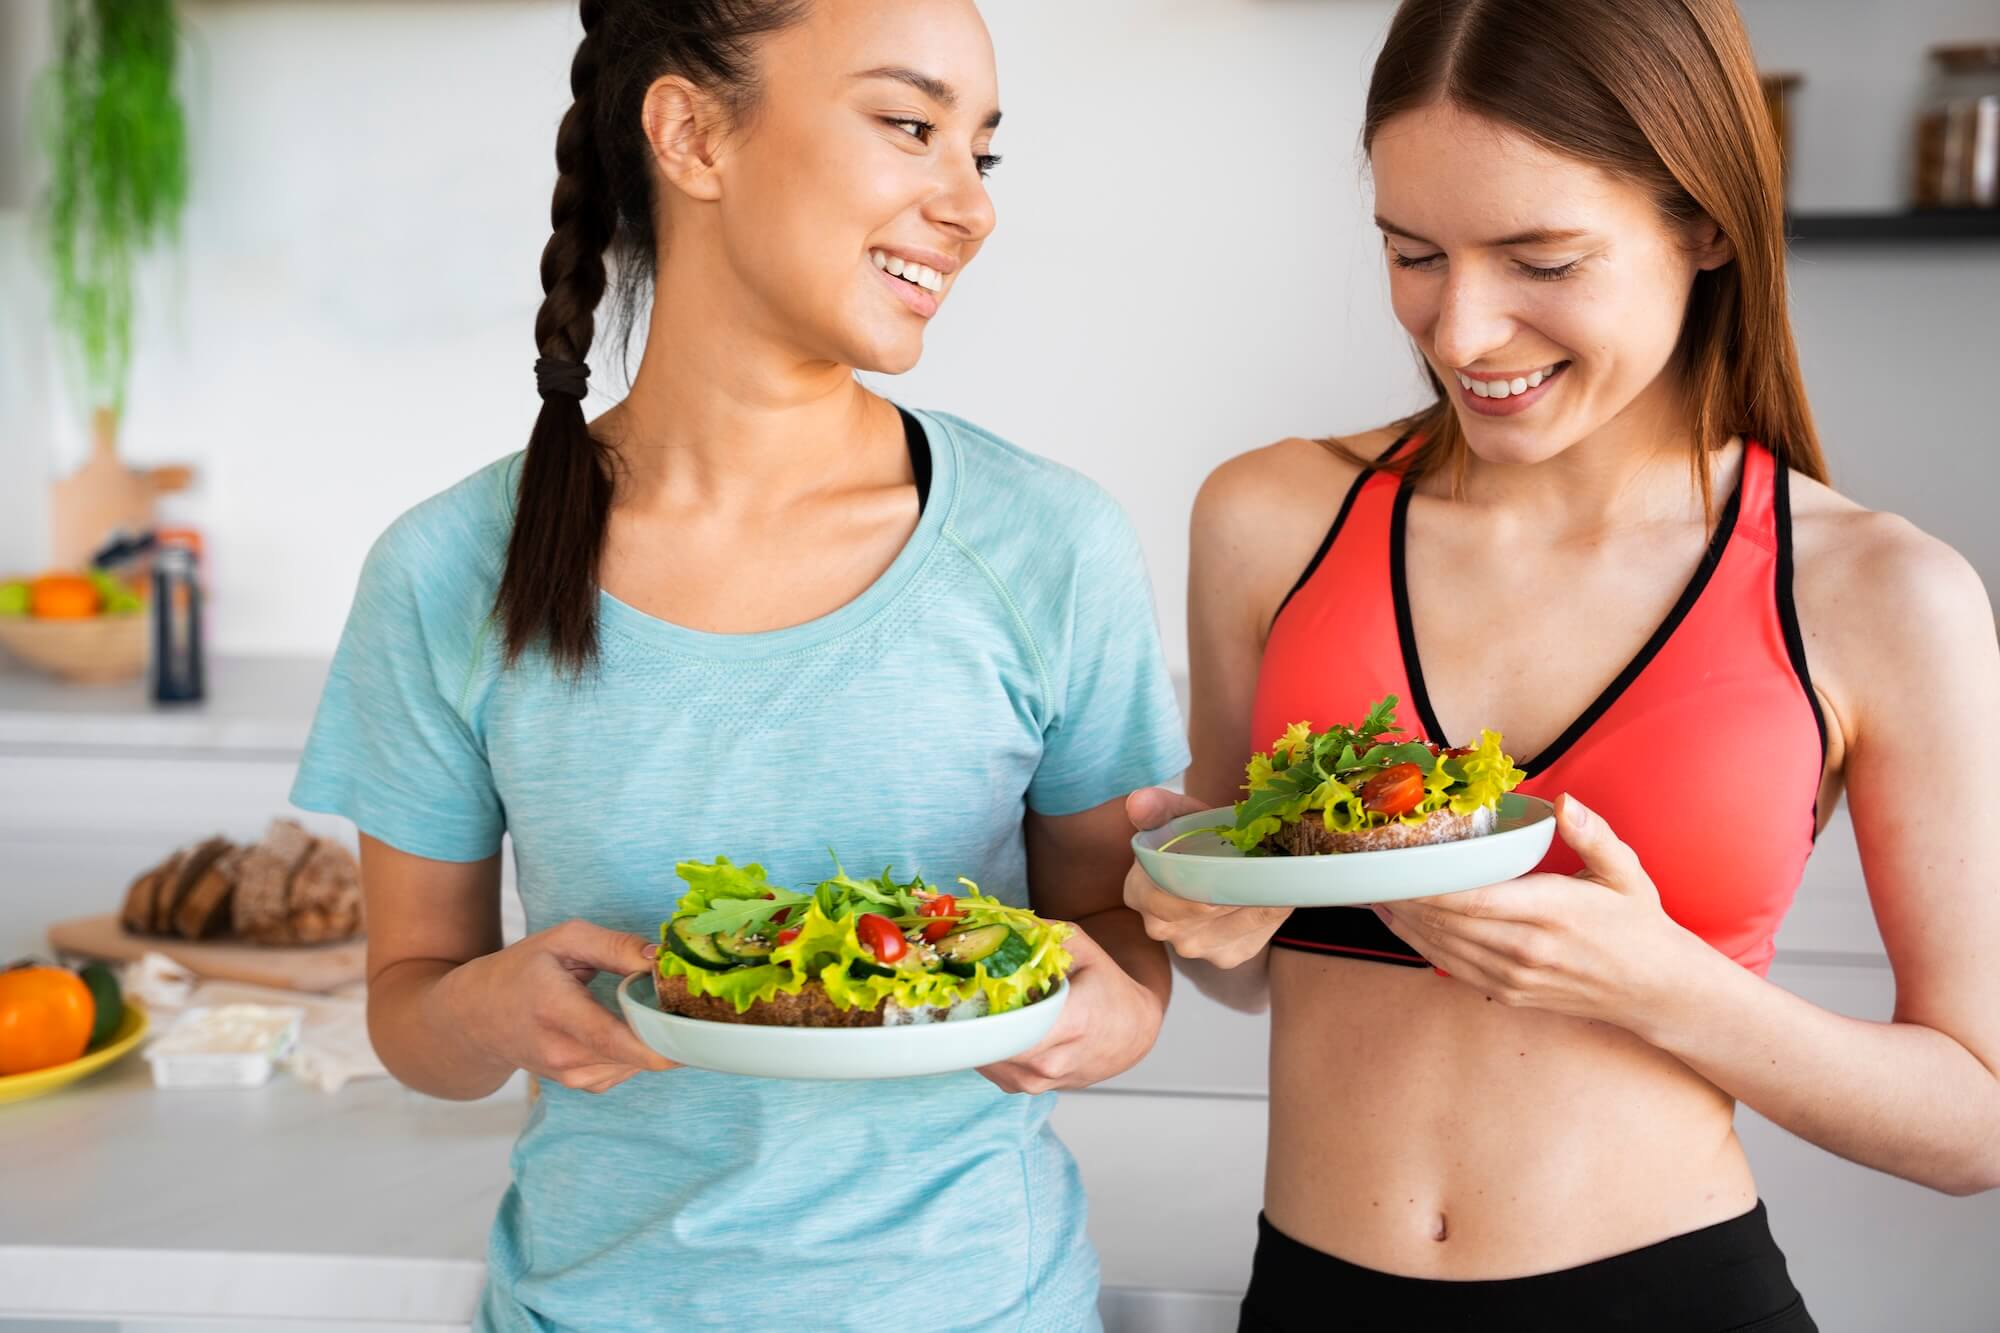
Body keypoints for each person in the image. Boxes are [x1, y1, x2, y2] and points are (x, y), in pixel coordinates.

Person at [290, 2, 1187, 1327]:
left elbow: (1115, 944)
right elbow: (411, 1011)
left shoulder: (1050, 544)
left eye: (980, 155)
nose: (970, 207)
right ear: (690, 133)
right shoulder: (447, 567)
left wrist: (1112, 1019)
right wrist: (492, 1009)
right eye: (910, 126)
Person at [1122, 1, 2000, 1328]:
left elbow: (1977, 1120)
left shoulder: (1881, 592)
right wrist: (1207, 914)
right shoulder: (1270, 519)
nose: (1463, 330)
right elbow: (1247, 966)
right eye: (1413, 253)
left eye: (1541, 258)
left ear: (1703, 224)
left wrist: (1661, 984)